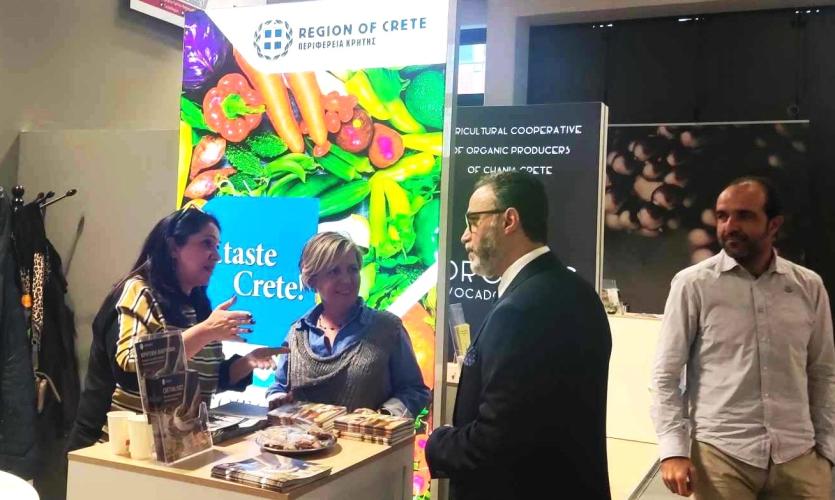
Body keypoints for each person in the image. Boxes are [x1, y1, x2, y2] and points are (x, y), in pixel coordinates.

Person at [425, 171, 612, 500]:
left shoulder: (520, 311)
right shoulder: (579, 292)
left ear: (509, 220)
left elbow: (496, 441)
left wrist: (438, 443)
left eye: (473, 221)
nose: (464, 236)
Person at [651, 176, 835, 499]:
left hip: (799, 457)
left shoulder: (808, 286)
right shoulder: (693, 285)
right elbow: (666, 375)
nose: (730, 226)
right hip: (722, 456)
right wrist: (673, 450)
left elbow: (823, 373)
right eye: (722, 216)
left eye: (744, 216)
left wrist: (827, 453)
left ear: (774, 224)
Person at [67, 206, 281, 450]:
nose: (216, 256)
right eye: (206, 244)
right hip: (114, 449)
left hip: (175, 448)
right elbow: (132, 371)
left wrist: (248, 361)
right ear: (173, 248)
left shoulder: (197, 305)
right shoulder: (138, 291)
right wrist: (206, 331)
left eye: (217, 246)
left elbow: (201, 379)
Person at [266, 232, 429, 418]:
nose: (346, 280)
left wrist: (383, 416)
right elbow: (279, 386)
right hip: (303, 436)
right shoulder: (298, 333)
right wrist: (278, 399)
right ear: (313, 279)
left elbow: (415, 391)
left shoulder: (387, 329)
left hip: (367, 437)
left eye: (352, 269)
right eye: (334, 271)